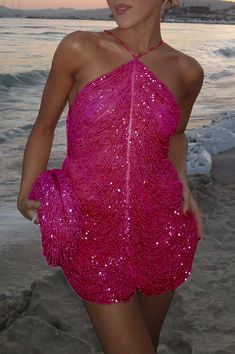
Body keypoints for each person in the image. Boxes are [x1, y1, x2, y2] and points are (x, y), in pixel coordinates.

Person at [17, 0, 204, 353]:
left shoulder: (187, 71)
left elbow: (176, 135)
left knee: (148, 341)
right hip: (92, 232)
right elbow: (44, 126)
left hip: (162, 225)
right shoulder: (79, 48)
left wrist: (184, 185)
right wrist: (26, 191)